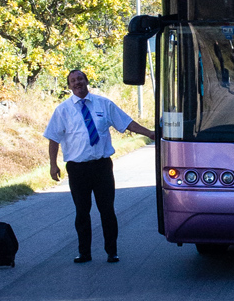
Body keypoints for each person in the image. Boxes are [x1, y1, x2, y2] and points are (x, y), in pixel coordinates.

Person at [44, 69, 154, 264]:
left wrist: (150, 133)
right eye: (73, 81)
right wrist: (53, 165)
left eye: (80, 79)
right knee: (82, 211)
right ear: (69, 86)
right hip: (78, 169)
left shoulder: (104, 104)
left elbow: (127, 123)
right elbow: (53, 138)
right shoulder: (63, 110)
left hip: (102, 167)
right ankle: (84, 253)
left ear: (86, 81)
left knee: (107, 210)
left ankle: (112, 251)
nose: (77, 83)